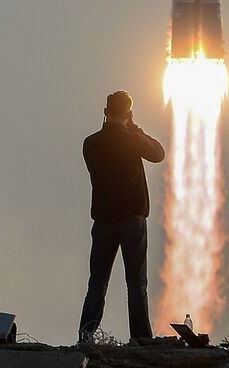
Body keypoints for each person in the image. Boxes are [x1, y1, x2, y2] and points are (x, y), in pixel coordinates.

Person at [78, 90, 165, 343]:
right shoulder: (131, 140)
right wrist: (136, 130)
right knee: (136, 285)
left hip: (103, 220)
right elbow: (158, 154)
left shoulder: (90, 143)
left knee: (97, 284)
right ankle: (140, 338)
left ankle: (86, 334)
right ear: (128, 113)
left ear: (105, 112)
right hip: (132, 220)